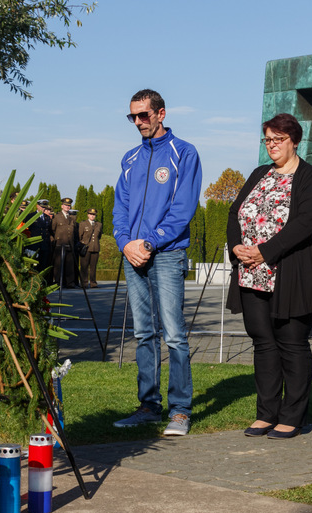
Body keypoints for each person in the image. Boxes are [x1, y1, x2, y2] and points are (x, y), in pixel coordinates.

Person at [226, 113, 312, 440]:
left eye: (278, 139)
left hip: (290, 274)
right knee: (263, 344)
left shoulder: (310, 177)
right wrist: (236, 246)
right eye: (267, 139)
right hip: (251, 275)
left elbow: (306, 221)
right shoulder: (259, 173)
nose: (271, 145)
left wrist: (266, 251)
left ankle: (292, 416)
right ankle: (266, 413)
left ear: (294, 140)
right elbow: (235, 212)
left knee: (292, 344)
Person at [112, 89, 202, 436]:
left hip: (166, 254)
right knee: (143, 334)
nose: (138, 122)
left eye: (143, 115)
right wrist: (125, 244)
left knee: (174, 335)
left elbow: (183, 209)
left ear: (161, 113)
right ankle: (148, 406)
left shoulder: (184, 153)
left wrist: (150, 242)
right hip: (133, 255)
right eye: (132, 117)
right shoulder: (130, 158)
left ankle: (180, 411)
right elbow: (120, 208)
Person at [51, 197, 78, 288]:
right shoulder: (57, 217)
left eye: (69, 205)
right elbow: (53, 229)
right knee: (58, 264)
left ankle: (70, 283)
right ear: (62, 206)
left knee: (69, 265)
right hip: (60, 243)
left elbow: (73, 231)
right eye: (65, 205)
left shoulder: (72, 218)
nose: (67, 207)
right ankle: (58, 283)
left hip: (70, 244)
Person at [78, 208, 102, 288]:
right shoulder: (83, 224)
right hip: (86, 248)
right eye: (91, 214)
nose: (92, 216)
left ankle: (93, 283)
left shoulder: (99, 225)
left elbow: (99, 236)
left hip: (95, 247)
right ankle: (84, 283)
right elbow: (80, 236)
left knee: (93, 267)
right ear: (88, 215)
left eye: (94, 215)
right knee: (84, 266)